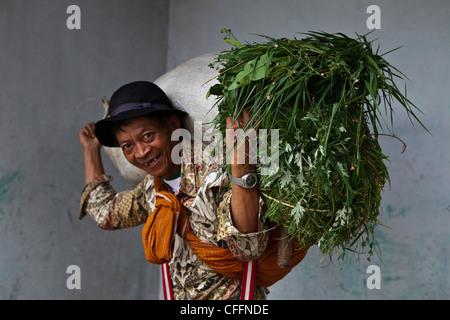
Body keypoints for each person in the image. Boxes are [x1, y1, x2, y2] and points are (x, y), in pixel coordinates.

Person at [78, 81, 269, 300]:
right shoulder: (153, 189)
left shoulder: (215, 170)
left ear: (172, 123)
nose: (140, 152)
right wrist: (91, 151)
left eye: (147, 136)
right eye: (127, 146)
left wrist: (242, 161)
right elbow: (106, 214)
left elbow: (249, 248)